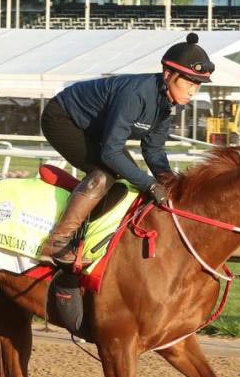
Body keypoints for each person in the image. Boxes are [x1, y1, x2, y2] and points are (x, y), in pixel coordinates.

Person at [38, 33, 214, 334]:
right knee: (104, 175)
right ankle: (58, 242)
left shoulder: (165, 105)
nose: (193, 91)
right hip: (63, 118)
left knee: (129, 178)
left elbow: (154, 151)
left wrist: (168, 183)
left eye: (197, 84)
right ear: (168, 74)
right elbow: (109, 151)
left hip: (94, 129)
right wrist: (149, 185)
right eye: (189, 82)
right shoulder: (137, 94)